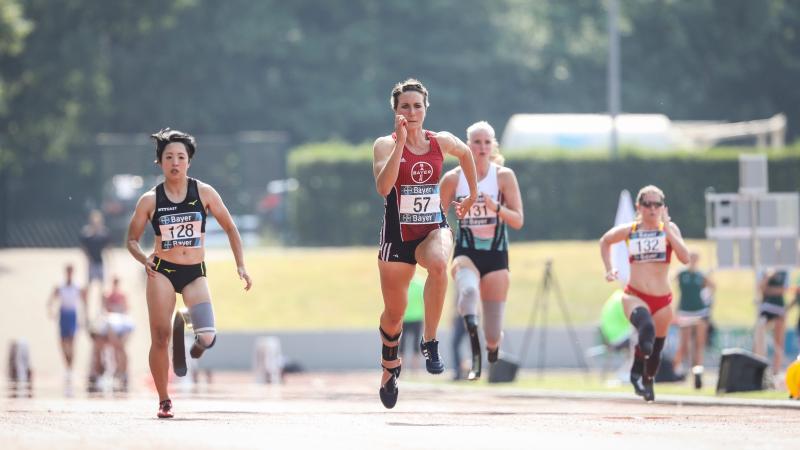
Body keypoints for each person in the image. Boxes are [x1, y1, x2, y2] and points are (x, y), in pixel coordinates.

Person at [126, 128, 253, 418]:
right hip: (163, 271)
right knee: (159, 337)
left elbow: (231, 228)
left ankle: (191, 334)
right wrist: (142, 257)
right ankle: (163, 399)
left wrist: (241, 266)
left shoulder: (204, 193)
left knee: (208, 337)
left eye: (180, 157)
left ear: (189, 162)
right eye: (168, 157)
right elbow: (131, 239)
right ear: (159, 162)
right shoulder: (149, 200)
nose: (175, 162)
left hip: (194, 272)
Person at [372, 79, 477, 408]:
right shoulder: (384, 145)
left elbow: (466, 153)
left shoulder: (440, 141)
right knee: (395, 313)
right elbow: (383, 187)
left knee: (438, 264)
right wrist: (401, 143)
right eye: (406, 106)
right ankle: (390, 367)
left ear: (426, 108)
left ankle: (430, 341)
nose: (412, 111)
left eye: (418, 106)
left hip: (433, 228)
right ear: (396, 111)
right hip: (397, 239)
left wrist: (471, 193)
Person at [439, 121, 524, 380]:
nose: (482, 147)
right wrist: (442, 243)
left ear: (493, 145)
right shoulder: (453, 178)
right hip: (466, 251)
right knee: (468, 289)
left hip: (497, 256)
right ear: (467, 145)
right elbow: (437, 219)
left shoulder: (503, 176)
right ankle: (472, 339)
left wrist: (494, 207)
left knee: (494, 336)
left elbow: (518, 220)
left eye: (487, 142)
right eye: (477, 142)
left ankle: (487, 345)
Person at [600, 185, 690, 401]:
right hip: (635, 295)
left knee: (656, 350)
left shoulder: (670, 230)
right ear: (638, 207)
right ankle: (635, 372)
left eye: (657, 204)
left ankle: (646, 379)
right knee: (646, 329)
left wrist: (668, 231)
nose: (652, 208)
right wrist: (609, 268)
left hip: (662, 300)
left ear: (663, 207)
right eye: (647, 204)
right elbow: (605, 240)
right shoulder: (631, 230)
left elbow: (685, 258)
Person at [672, 251, 715, 389]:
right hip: (684, 311)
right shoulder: (681, 273)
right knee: (684, 345)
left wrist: (707, 300)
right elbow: (670, 281)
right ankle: (676, 370)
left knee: (699, 344)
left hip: (700, 311)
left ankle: (698, 373)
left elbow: (712, 287)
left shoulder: (701, 275)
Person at [47, 264, 85, 396]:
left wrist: (84, 317)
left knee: (72, 342)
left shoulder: (77, 286)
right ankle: (67, 366)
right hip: (63, 314)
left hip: (72, 315)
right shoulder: (60, 286)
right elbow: (51, 299)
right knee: (63, 343)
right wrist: (51, 310)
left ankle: (70, 369)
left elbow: (83, 301)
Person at [753, 267, 789, 376]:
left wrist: (769, 290)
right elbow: (761, 288)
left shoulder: (785, 271)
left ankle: (776, 371)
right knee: (759, 339)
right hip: (765, 310)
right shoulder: (763, 269)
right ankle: (759, 368)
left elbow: (783, 290)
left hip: (779, 309)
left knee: (779, 342)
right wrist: (768, 277)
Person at [102, 276, 135, 391]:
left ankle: (123, 371)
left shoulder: (122, 295)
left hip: (122, 324)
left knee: (121, 348)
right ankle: (118, 370)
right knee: (116, 349)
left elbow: (126, 308)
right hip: (113, 324)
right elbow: (105, 309)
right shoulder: (107, 295)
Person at [79, 210, 110, 314]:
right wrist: (88, 258)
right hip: (92, 263)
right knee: (88, 288)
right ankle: (86, 310)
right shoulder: (87, 234)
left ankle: (101, 310)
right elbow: (83, 248)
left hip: (100, 263)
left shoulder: (103, 234)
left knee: (102, 289)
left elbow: (107, 248)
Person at [398, 274, 425, 373]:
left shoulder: (418, 284)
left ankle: (415, 370)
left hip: (416, 318)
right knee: (402, 345)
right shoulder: (402, 283)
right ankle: (403, 369)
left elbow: (424, 302)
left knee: (415, 344)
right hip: (404, 318)